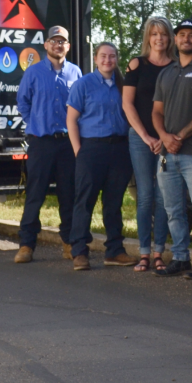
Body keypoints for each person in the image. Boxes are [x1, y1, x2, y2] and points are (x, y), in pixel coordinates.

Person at [14, 26, 82, 264]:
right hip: (41, 143)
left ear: (68, 46)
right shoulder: (33, 73)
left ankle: (69, 243)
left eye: (62, 41)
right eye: (53, 41)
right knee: (35, 195)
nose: (58, 45)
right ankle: (26, 245)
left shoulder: (76, 73)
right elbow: (22, 103)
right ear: (46, 45)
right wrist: (36, 123)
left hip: (67, 144)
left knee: (68, 195)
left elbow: (80, 106)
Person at [152, 19, 192, 278]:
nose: (186, 39)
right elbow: (156, 112)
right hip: (168, 154)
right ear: (175, 40)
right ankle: (180, 257)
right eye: (181, 35)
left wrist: (180, 135)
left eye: (191, 35)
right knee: (173, 210)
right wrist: (165, 137)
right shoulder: (166, 72)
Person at [67, 42, 137, 270]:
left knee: (114, 202)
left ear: (117, 59)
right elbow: (71, 120)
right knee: (84, 200)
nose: (108, 60)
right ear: (95, 59)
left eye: (112, 56)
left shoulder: (123, 85)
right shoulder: (83, 84)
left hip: (119, 149)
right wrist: (79, 151)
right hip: (91, 149)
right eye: (103, 56)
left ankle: (114, 251)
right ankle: (78, 251)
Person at [122, 16, 175, 273]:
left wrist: (163, 137)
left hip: (168, 139)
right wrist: (146, 137)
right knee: (144, 197)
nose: (159, 38)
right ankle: (143, 253)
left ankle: (158, 254)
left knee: (163, 197)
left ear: (169, 38)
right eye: (154, 34)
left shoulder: (177, 66)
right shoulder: (137, 64)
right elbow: (127, 104)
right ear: (148, 37)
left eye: (163, 34)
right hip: (140, 139)